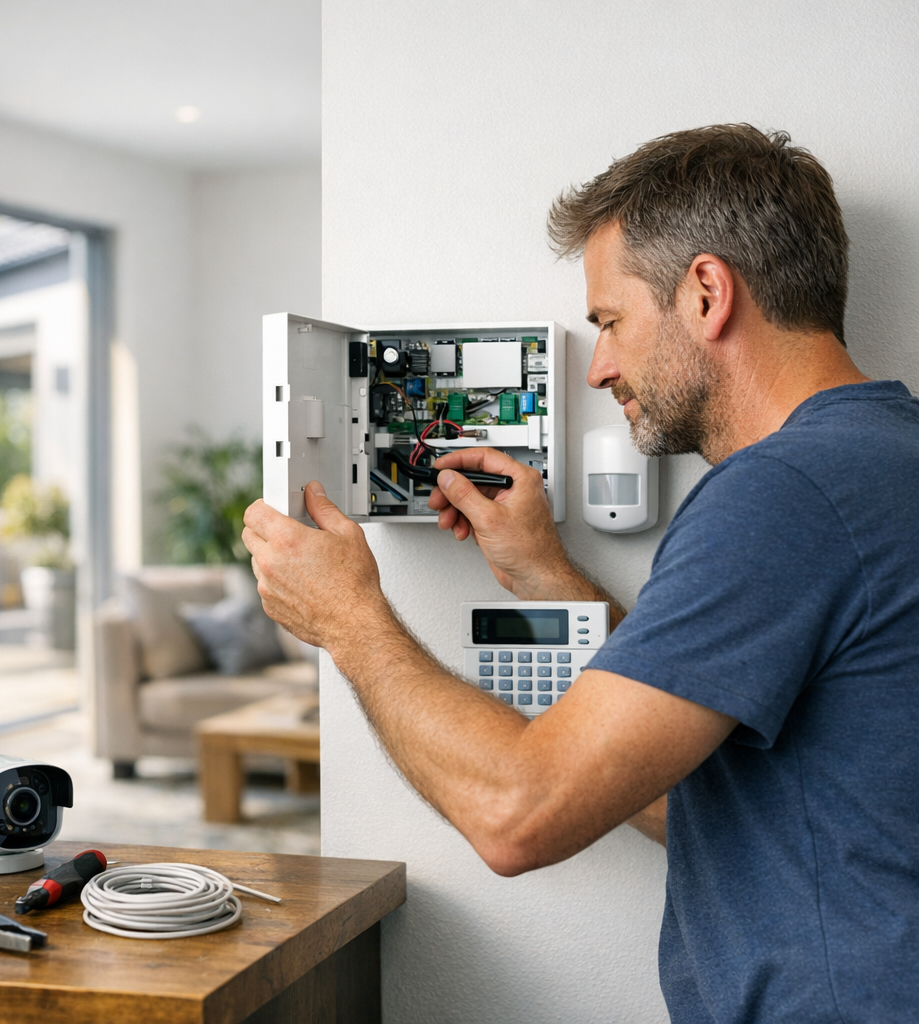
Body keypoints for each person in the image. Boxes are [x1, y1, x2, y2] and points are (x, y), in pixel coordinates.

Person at [243, 125, 918, 1023]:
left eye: (609, 321)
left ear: (707, 292)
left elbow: (516, 814)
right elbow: (695, 795)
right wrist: (549, 579)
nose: (599, 368)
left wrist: (349, 621)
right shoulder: (882, 459)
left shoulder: (784, 494)